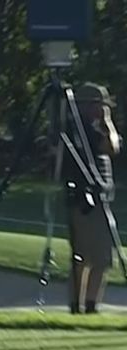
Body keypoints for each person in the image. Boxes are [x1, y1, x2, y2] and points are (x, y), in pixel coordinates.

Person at [65, 82, 122, 314]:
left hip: (89, 198)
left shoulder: (76, 129)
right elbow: (111, 147)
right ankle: (88, 306)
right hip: (89, 200)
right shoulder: (87, 130)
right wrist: (108, 122)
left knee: (83, 255)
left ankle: (79, 305)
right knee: (98, 257)